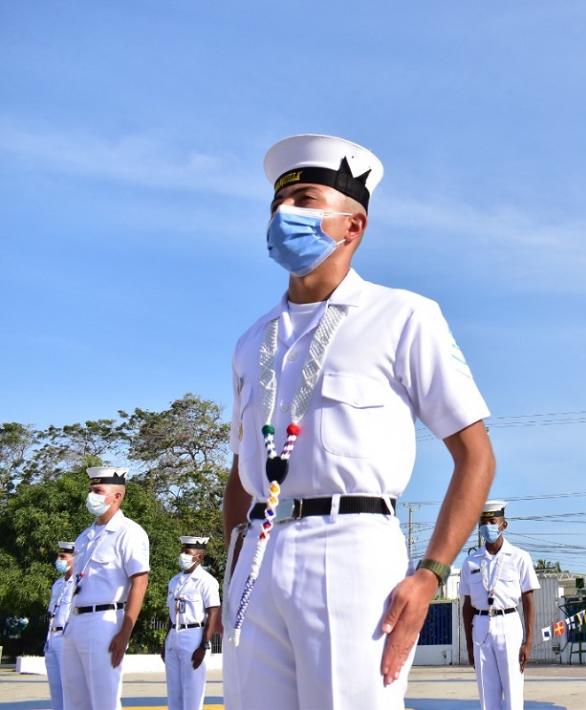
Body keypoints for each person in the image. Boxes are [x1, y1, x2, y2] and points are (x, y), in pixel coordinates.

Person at [221, 133, 495, 709]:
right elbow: (241, 471)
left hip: (348, 546)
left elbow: (475, 455)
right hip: (259, 553)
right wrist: (233, 567)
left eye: (306, 200)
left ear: (353, 225)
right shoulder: (252, 340)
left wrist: (430, 575)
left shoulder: (403, 316)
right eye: (279, 204)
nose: (284, 214)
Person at [62, 466, 150, 710]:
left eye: (98, 490)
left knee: (104, 701)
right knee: (74, 701)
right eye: (91, 490)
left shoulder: (129, 532)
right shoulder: (85, 536)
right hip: (76, 620)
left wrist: (125, 632)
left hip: (105, 622)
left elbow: (140, 581)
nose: (92, 496)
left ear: (117, 496)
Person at [459, 500, 540, 710]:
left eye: (492, 521)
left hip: (509, 623)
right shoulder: (470, 562)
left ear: (504, 525)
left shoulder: (520, 557)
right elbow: (467, 606)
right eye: (483, 522)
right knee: (487, 694)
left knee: (513, 690)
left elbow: (529, 601)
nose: (487, 526)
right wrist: (469, 644)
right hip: (481, 626)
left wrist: (528, 642)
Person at [163, 536, 221, 710]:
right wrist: (165, 642)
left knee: (192, 694)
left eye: (187, 552)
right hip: (174, 635)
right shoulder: (174, 581)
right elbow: (171, 613)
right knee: (174, 693)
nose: (183, 555)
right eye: (182, 551)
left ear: (199, 557)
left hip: (194, 636)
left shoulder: (207, 581)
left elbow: (213, 613)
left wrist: (204, 645)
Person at [44, 540, 76, 710]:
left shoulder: (79, 583)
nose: (59, 559)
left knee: (70, 691)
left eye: (63, 556)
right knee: (56, 692)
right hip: (51, 639)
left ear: (74, 558)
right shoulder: (57, 584)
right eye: (59, 556)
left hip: (66, 639)